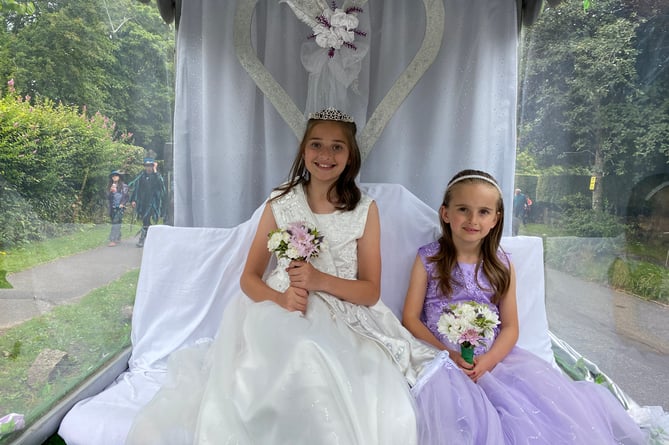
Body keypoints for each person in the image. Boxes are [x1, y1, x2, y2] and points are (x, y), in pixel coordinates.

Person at [125, 108, 438, 444]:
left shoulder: (365, 209)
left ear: (351, 156)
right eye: (316, 145)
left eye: (337, 147)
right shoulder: (282, 202)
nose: (325, 155)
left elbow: (370, 291)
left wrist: (320, 281)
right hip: (282, 305)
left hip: (345, 312)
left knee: (339, 365)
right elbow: (250, 277)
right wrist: (280, 298)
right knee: (297, 351)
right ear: (303, 151)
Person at [402, 169, 646, 444]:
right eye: (463, 209)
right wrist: (448, 354)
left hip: (495, 361)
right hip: (442, 359)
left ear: (496, 219)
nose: (473, 220)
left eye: (483, 212)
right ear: (445, 213)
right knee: (461, 419)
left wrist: (488, 361)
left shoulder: (501, 265)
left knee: (537, 416)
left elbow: (510, 327)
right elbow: (410, 318)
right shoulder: (428, 259)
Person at [129, 158, 165, 247]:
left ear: (153, 167)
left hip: (153, 203)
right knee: (146, 220)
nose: (148, 168)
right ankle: (148, 238)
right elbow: (136, 189)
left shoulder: (157, 176)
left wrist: (156, 171)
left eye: (150, 166)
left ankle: (143, 238)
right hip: (143, 202)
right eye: (147, 166)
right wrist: (134, 200)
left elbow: (161, 185)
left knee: (148, 219)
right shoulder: (141, 176)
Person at [107, 170, 129, 247]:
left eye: (116, 175)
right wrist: (110, 191)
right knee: (116, 221)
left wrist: (122, 204)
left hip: (120, 207)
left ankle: (112, 240)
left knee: (115, 222)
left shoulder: (124, 186)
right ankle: (118, 236)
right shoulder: (110, 186)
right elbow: (108, 198)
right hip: (112, 207)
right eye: (113, 176)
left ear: (119, 177)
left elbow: (126, 197)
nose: (114, 177)